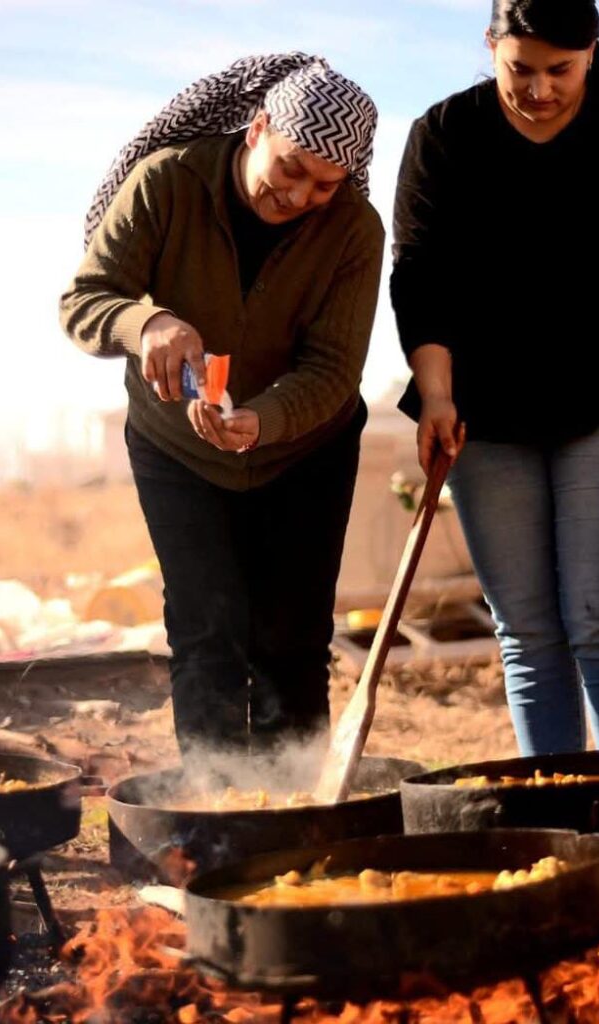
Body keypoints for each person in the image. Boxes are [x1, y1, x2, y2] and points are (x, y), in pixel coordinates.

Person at [60, 53, 384, 756]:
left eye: (325, 185)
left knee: (292, 640)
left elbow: (332, 369)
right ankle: (213, 822)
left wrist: (261, 421)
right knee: (207, 633)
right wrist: (146, 323)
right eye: (291, 168)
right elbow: (84, 301)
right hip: (176, 448)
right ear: (257, 128)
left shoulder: (355, 230)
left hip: (307, 448)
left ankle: (295, 826)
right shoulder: (167, 183)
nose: (299, 195)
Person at [391, 0, 599, 760]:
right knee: (527, 628)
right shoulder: (445, 135)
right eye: (520, 68)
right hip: (484, 410)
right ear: (491, 44)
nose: (539, 89)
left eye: (560, 71)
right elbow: (419, 274)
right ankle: (568, 830)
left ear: (593, 53)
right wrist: (435, 393)